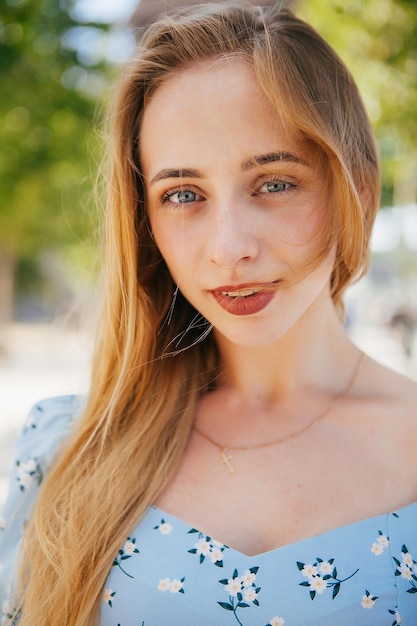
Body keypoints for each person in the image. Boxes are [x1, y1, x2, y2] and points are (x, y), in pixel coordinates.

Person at [1, 1, 416, 625]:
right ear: (146, 223)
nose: (229, 249)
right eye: (184, 195)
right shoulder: (70, 447)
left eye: (274, 182)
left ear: (355, 186)